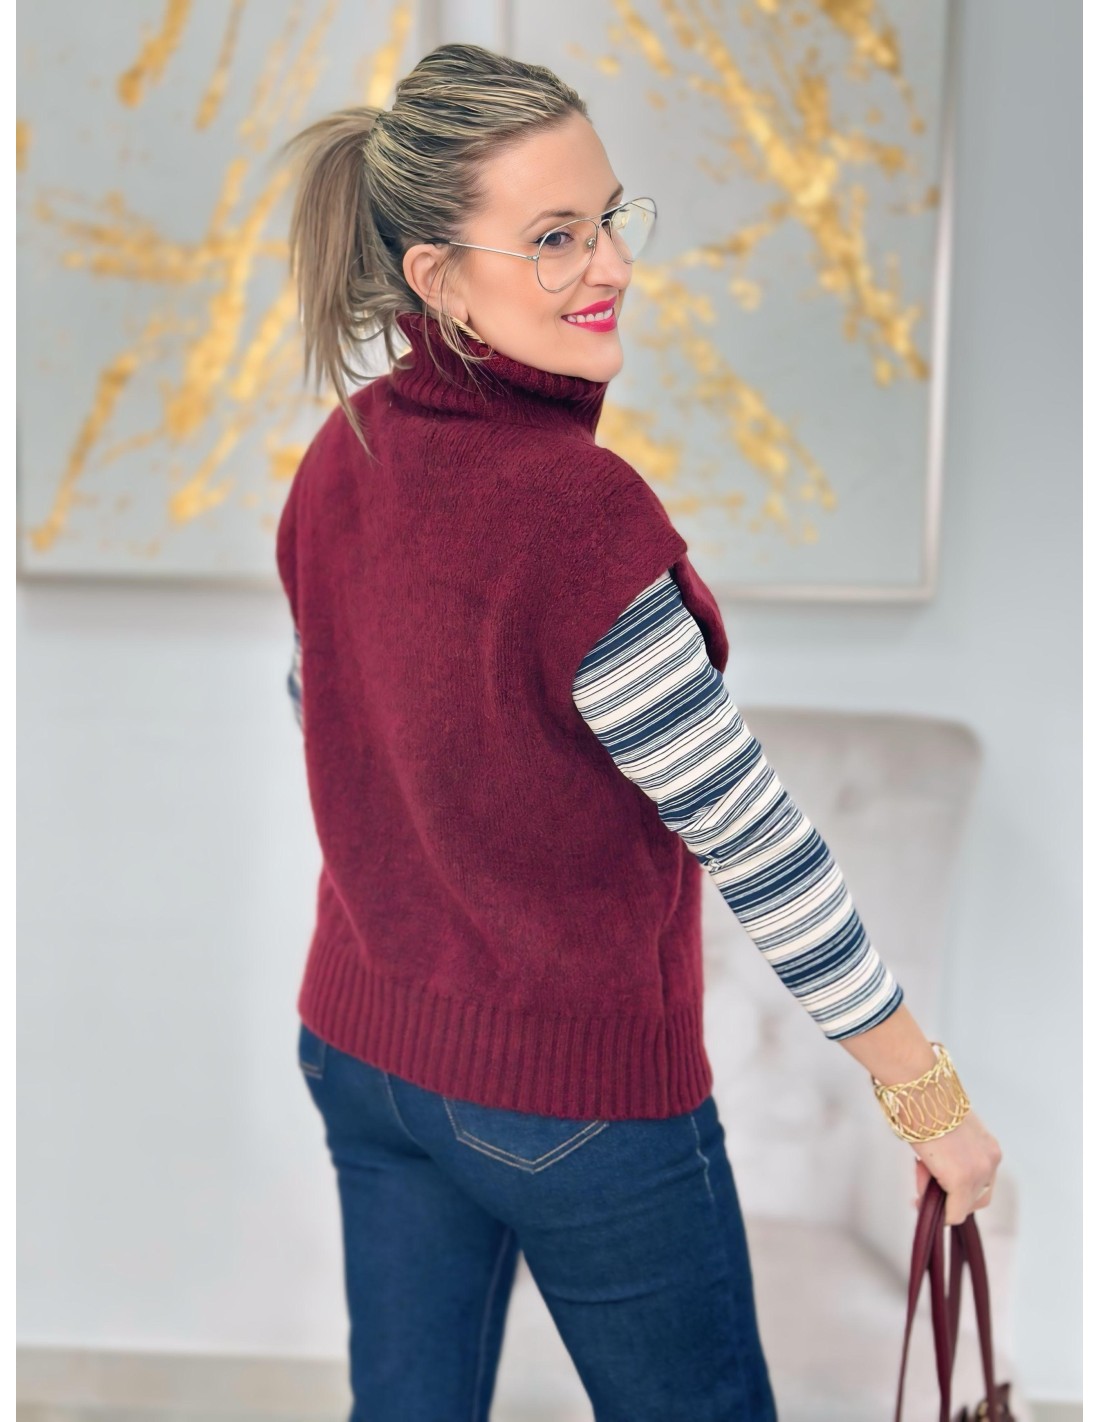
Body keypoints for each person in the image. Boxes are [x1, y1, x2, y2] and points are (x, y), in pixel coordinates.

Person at [275, 42, 1003, 1422]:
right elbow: (755, 841)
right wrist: (928, 1101)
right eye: (555, 237)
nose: (610, 264)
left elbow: (329, 719)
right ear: (438, 277)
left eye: (609, 217)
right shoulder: (582, 519)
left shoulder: (340, 454)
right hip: (570, 1095)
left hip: (361, 1049)